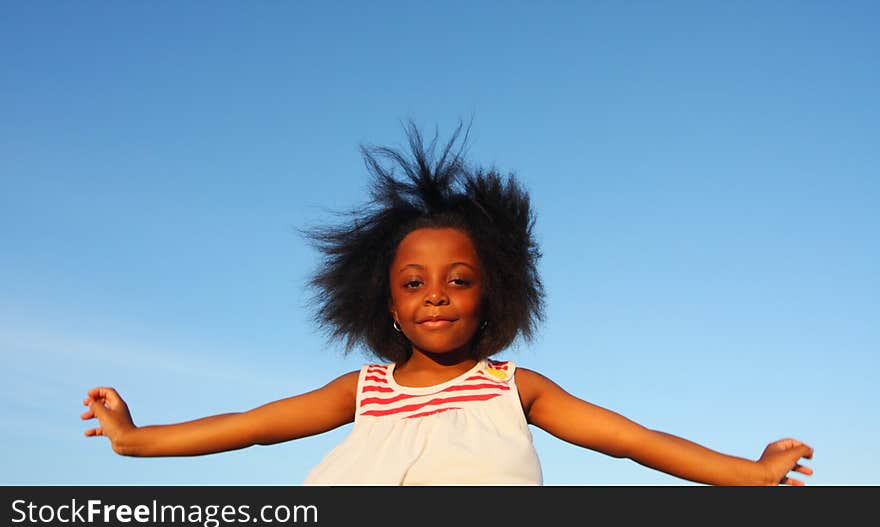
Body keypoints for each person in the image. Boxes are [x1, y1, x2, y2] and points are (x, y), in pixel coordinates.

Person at [81, 121, 814, 486]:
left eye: (459, 280)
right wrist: (136, 439)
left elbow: (629, 440)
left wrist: (748, 472)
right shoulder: (362, 390)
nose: (436, 293)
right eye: (414, 283)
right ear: (387, 305)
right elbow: (254, 427)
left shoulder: (512, 388)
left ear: (493, 294)